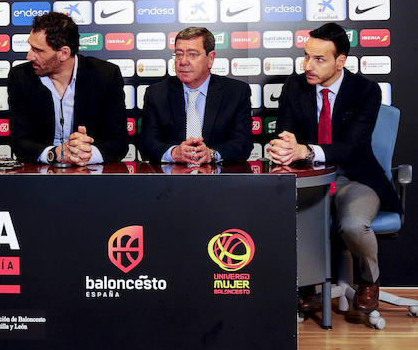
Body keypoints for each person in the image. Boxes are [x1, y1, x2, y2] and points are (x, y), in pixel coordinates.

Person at [268, 22, 401, 313]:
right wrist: (285, 145)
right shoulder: (295, 86)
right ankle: (303, 285)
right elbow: (286, 130)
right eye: (306, 56)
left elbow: (352, 147)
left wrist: (306, 150)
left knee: (353, 225)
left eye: (319, 59)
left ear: (340, 61)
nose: (308, 65)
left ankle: (368, 281)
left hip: (354, 178)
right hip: (307, 179)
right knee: (288, 221)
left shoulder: (365, 90)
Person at [8, 12, 128, 165]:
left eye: (38, 50)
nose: (29, 56)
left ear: (64, 53)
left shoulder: (106, 75)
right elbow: (19, 142)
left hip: (91, 176)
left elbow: (119, 143)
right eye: (31, 47)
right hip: (39, 177)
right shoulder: (20, 76)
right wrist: (54, 154)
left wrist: (87, 154)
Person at [139, 26, 252, 164]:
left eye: (192, 54)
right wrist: (174, 153)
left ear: (210, 59)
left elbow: (243, 143)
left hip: (219, 181)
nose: (183, 61)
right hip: (171, 181)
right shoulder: (157, 93)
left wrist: (212, 154)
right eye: (179, 54)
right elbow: (147, 143)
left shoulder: (236, 92)